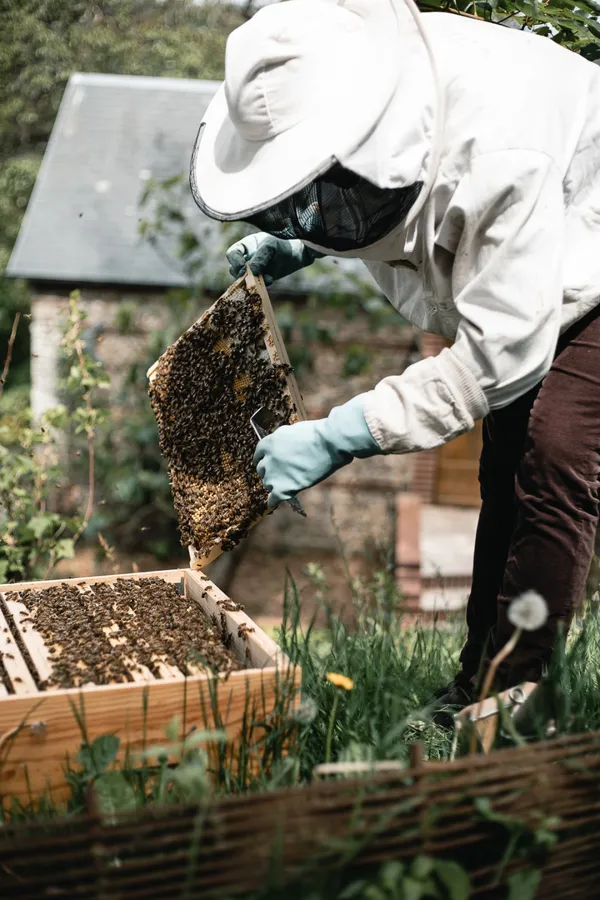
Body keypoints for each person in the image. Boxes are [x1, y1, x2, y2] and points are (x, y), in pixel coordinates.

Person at [190, 0, 600, 710]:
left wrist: (340, 434)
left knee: (552, 448)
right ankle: (481, 680)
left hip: (586, 227)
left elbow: (497, 359)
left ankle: (521, 699)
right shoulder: (361, 93)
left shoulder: (500, 149)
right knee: (506, 463)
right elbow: (355, 182)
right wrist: (300, 241)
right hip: (542, 233)